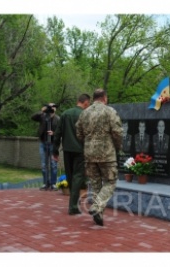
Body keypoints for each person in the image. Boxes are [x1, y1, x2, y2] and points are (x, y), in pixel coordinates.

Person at [76, 89, 123, 226]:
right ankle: (97, 206)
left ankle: (98, 215)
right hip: (107, 154)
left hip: (89, 154)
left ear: (94, 98)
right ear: (104, 98)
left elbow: (78, 132)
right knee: (110, 181)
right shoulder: (110, 111)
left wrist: (88, 143)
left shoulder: (85, 113)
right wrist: (117, 146)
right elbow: (117, 132)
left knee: (96, 185)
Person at [53, 93, 91, 215]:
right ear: (85, 102)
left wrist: (55, 150)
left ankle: (73, 204)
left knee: (70, 176)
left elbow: (57, 133)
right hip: (80, 151)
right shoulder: (85, 115)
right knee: (78, 177)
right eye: (88, 104)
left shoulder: (65, 114)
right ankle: (73, 206)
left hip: (67, 150)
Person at [31, 103, 60, 190]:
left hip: (52, 144)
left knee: (53, 165)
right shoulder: (42, 117)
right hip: (43, 143)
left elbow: (61, 132)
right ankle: (45, 183)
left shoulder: (58, 119)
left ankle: (53, 184)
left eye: (52, 107)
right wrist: (42, 111)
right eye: (49, 107)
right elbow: (33, 117)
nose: (50, 109)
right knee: (44, 165)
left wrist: (53, 133)